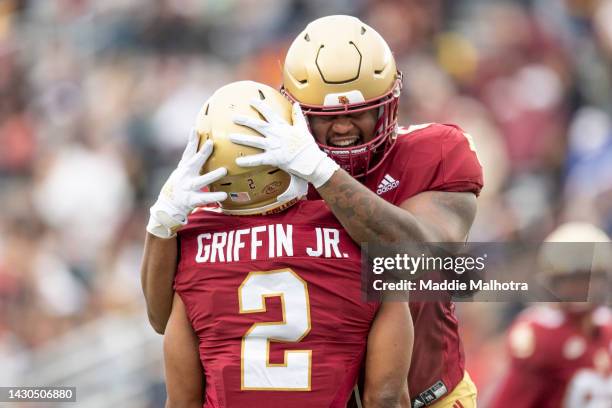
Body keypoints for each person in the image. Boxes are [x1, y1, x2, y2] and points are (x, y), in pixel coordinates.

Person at [142, 14, 483, 407]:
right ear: (295, 113)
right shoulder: (267, 172)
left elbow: (425, 259)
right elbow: (169, 315)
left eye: (359, 112)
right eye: (326, 117)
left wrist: (322, 173)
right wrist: (162, 222)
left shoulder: (435, 152)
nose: (342, 129)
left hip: (428, 394)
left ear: (389, 104)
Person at [158, 80, 413, 407]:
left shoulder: (194, 242)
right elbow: (386, 397)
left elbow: (181, 401)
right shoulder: (358, 235)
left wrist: (160, 222)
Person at [489, 222, 612, 408]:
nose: (582, 287)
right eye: (572, 278)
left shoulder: (607, 325)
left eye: (589, 276)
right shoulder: (540, 334)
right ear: (554, 281)